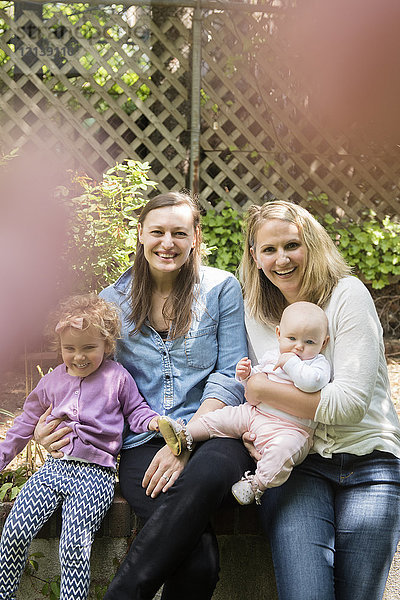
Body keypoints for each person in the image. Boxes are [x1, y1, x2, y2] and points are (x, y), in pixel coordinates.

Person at [34, 192, 251, 600]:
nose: (167, 242)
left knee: (206, 475)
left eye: (179, 233)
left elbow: (230, 375)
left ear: (195, 238)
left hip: (216, 429)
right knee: (200, 560)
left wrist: (184, 439)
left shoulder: (222, 288)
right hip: (141, 440)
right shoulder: (112, 301)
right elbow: (89, 378)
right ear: (140, 235)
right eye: (158, 232)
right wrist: (49, 425)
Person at [241, 201, 400, 600]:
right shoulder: (258, 312)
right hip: (300, 465)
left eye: (292, 245)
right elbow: (271, 399)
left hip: (371, 461)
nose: (282, 259)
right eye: (269, 249)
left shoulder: (348, 296)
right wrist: (261, 413)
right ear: (255, 257)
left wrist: (262, 392)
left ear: (311, 244)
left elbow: (349, 405)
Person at [0, 293, 159, 600]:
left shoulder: (117, 378)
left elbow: (137, 411)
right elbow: (24, 424)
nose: (79, 356)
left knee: (74, 545)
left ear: (107, 346)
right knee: (15, 531)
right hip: (54, 470)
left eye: (89, 347)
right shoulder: (51, 382)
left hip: (95, 476)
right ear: (59, 347)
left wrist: (153, 423)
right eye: (69, 348)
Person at [159, 300, 330, 506]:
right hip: (255, 413)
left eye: (309, 342)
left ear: (324, 343)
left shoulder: (317, 364)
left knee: (282, 454)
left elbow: (312, 383)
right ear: (278, 334)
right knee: (224, 417)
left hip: (290, 429)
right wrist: (245, 375)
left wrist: (291, 363)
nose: (298, 347)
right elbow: (254, 385)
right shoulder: (273, 356)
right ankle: (186, 434)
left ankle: (256, 484)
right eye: (291, 338)